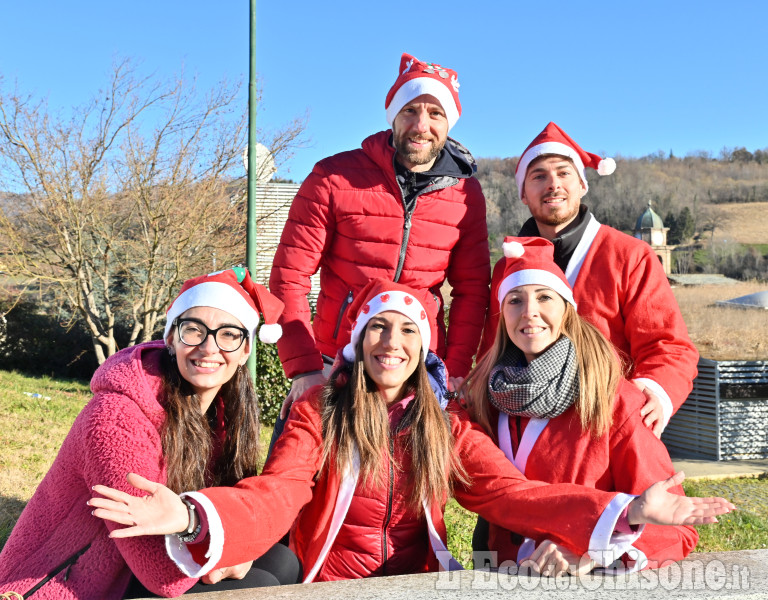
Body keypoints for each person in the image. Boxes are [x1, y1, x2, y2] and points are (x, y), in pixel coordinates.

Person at [88, 278, 732, 582]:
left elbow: (510, 494)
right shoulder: (322, 410)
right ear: (359, 342)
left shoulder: (445, 423)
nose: (389, 343)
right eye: (377, 329)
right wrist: (199, 518)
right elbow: (281, 489)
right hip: (331, 579)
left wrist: (625, 508)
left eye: (405, 332)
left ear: (422, 349)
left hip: (418, 579)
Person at [0, 268, 301, 599]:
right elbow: (162, 575)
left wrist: (227, 539)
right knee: (263, 587)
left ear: (245, 350)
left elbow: (235, 506)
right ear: (171, 338)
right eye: (194, 330)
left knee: (282, 563)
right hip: (68, 585)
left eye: (229, 334)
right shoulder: (116, 417)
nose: (209, 347)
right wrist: (219, 540)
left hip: (133, 567)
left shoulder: (223, 413)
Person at [269, 53, 491, 437]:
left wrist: (453, 368)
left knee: (408, 493)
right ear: (392, 114)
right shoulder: (333, 177)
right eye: (410, 110)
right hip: (332, 364)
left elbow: (473, 291)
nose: (421, 125)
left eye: (435, 114)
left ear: (449, 122)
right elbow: (289, 276)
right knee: (300, 485)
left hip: (416, 368)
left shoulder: (466, 194)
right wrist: (304, 367)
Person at [468, 237, 699, 572]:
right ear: (502, 315)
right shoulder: (486, 398)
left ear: (568, 310)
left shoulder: (613, 400)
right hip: (498, 580)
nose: (529, 311)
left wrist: (593, 550)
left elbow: (675, 529)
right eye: (515, 300)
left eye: (544, 297)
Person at [480, 122, 699, 437]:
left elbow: (668, 345)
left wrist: (655, 391)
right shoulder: (507, 268)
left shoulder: (629, 255)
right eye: (538, 176)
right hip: (519, 431)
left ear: (582, 184)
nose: (553, 185)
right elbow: (493, 350)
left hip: (601, 428)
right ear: (523, 194)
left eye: (564, 173)